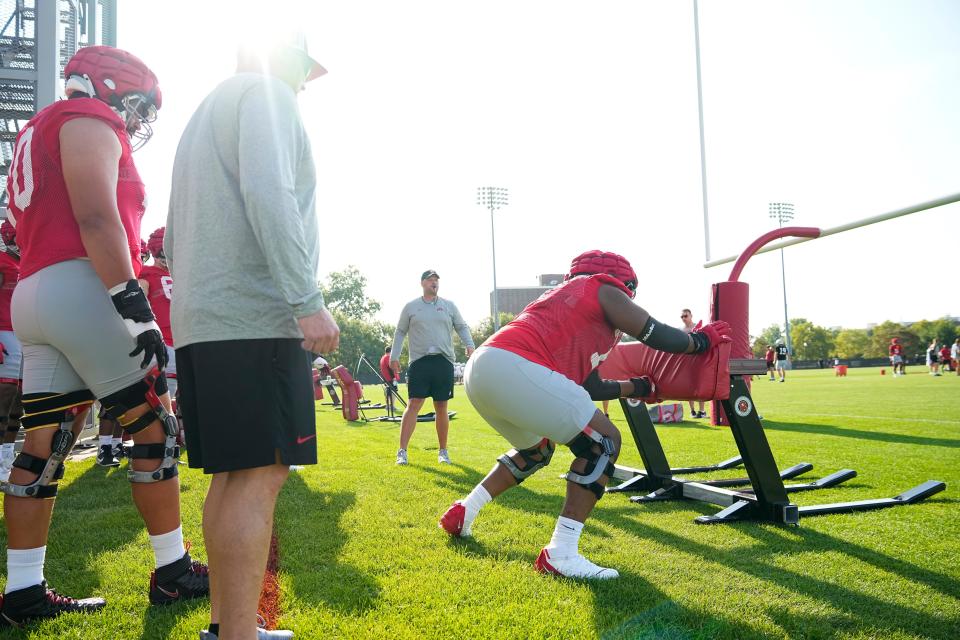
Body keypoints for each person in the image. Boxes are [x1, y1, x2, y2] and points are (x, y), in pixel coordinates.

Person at [0, 45, 208, 626]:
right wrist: (131, 301)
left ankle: (22, 591)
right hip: (84, 285)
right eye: (135, 103)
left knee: (40, 448)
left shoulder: (36, 129)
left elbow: (19, 229)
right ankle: (172, 572)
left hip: (36, 292)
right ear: (107, 85)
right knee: (158, 430)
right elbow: (96, 216)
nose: (136, 119)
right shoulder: (86, 119)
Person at [166, 32, 339, 640]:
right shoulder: (268, 95)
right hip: (253, 317)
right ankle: (238, 633)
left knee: (234, 476)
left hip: (206, 320)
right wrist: (307, 301)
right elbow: (271, 195)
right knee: (263, 473)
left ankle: (228, 625)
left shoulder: (208, 110)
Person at [438, 250, 731, 579]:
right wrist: (699, 340)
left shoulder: (566, 301)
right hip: (513, 365)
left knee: (537, 450)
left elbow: (587, 385)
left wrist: (636, 387)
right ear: (624, 284)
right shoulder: (603, 288)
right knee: (604, 440)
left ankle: (465, 510)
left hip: (484, 368)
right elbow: (655, 332)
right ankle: (561, 552)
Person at [391, 270, 475, 466]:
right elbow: (400, 331)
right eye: (430, 280)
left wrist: (470, 344)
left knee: (441, 406)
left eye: (436, 280)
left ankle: (443, 451)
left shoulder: (449, 306)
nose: (434, 283)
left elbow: (461, 326)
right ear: (422, 283)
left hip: (443, 361)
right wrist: (394, 357)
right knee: (414, 403)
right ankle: (402, 451)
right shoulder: (411, 307)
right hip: (419, 361)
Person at [0, 221, 22, 482]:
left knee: (17, 403)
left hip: (24, 336)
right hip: (4, 332)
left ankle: (7, 458)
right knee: (3, 398)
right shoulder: (3, 261)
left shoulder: (28, 264)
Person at [680, 309, 706, 418]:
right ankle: (692, 411)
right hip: (686, 363)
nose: (684, 318)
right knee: (689, 387)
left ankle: (702, 411)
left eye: (686, 316)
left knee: (700, 386)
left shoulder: (699, 327)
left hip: (699, 362)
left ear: (691, 315)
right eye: (682, 317)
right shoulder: (681, 330)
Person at [379, 346, 399, 416]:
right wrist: (393, 377)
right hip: (390, 379)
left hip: (386, 378)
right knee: (394, 392)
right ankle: (392, 406)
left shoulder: (382, 357)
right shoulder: (388, 357)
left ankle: (388, 406)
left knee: (388, 393)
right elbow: (390, 367)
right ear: (391, 351)